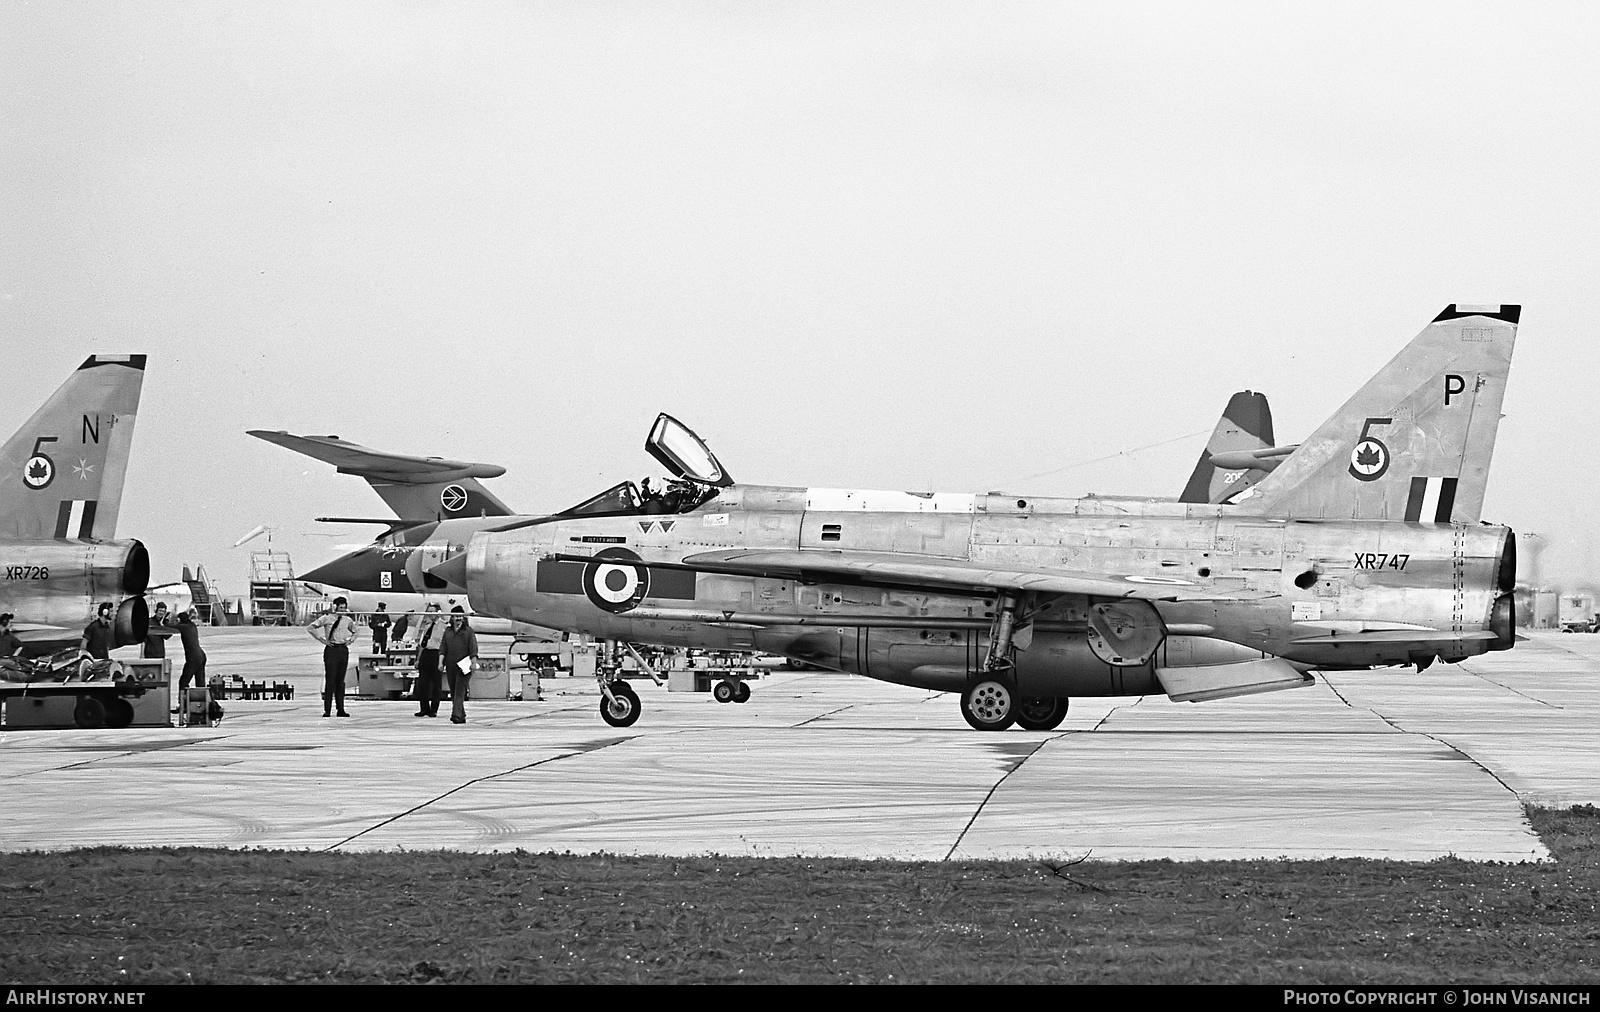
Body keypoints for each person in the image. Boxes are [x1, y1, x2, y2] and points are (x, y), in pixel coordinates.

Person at [308, 597, 357, 717]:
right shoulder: (327, 618)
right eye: (340, 608)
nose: (343, 610)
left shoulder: (347, 620)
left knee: (340, 681)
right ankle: (327, 710)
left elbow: (356, 630)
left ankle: (341, 709)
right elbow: (311, 627)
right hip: (332, 649)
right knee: (330, 680)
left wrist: (351, 640)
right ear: (335, 607)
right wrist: (322, 639)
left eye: (344, 608)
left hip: (342, 649)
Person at [439, 606, 478, 724]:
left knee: (460, 690)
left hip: (464, 666)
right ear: (452, 617)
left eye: (460, 616)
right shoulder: (448, 631)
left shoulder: (468, 631)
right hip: (451, 665)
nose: (458, 618)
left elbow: (473, 648)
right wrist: (440, 662)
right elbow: (443, 648)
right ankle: (462, 715)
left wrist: (473, 662)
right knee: (453, 690)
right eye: (456, 616)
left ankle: (455, 714)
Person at [412, 603, 445, 718]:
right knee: (423, 683)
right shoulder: (427, 625)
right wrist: (418, 659)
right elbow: (422, 644)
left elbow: (444, 645)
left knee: (436, 684)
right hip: (426, 654)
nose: (430, 614)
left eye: (432, 612)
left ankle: (434, 709)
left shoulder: (443, 626)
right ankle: (424, 708)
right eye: (429, 612)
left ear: (438, 612)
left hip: (436, 654)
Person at [173, 608, 208, 691]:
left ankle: (182, 700)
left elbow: (167, 625)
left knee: (183, 682)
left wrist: (167, 619)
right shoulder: (192, 625)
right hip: (201, 655)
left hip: (193, 658)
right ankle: (202, 701)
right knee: (200, 682)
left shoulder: (183, 627)